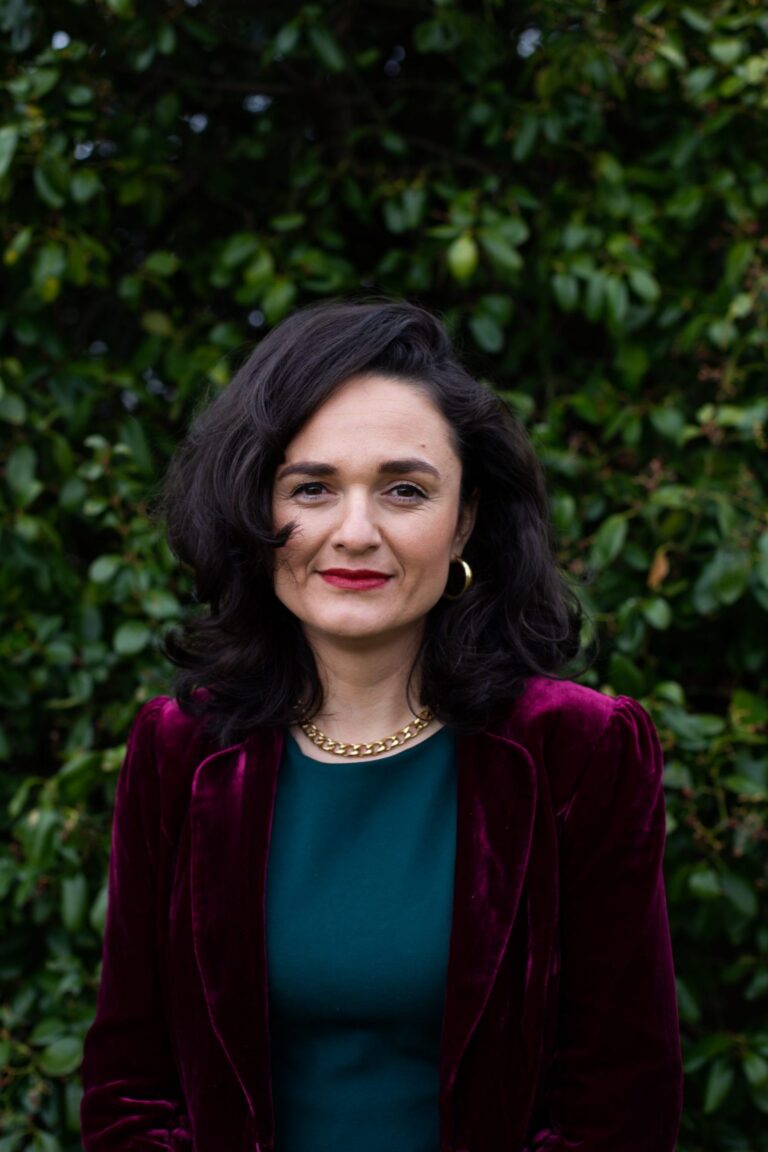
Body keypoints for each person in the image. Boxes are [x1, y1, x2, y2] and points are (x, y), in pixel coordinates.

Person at [80, 299, 683, 1152]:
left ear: (465, 518)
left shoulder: (578, 750)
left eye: (405, 490)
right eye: (312, 488)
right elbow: (129, 1090)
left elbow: (620, 1105)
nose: (355, 533)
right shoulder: (180, 749)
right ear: (255, 509)